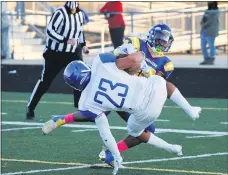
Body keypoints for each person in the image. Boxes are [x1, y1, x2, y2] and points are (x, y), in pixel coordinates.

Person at [42, 44, 183, 174]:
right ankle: (60, 121)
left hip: (133, 106)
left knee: (101, 117)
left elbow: (105, 132)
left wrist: (116, 155)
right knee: (146, 128)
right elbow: (132, 59)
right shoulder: (101, 64)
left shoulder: (86, 101)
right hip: (145, 92)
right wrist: (141, 54)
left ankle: (60, 121)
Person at [26, 1, 89, 120]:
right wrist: (65, 40)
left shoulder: (80, 14)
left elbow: (80, 31)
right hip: (55, 53)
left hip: (72, 53)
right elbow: (49, 31)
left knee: (81, 78)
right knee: (45, 81)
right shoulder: (60, 13)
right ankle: (30, 107)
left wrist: (84, 45)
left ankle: (81, 108)